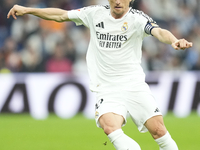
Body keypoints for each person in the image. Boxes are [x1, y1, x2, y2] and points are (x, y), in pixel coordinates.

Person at [7, 0, 192, 149]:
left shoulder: (138, 19)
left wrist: (174, 41)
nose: (118, 2)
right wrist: (28, 10)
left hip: (133, 85)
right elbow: (61, 15)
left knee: (159, 131)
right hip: (107, 88)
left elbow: (159, 31)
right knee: (110, 127)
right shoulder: (94, 13)